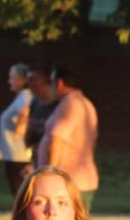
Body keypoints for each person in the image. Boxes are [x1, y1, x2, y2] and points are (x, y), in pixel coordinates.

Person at [37, 65, 99, 209]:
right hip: (81, 179)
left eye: (50, 83)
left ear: (59, 83)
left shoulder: (69, 105)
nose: (49, 87)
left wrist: (49, 175)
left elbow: (56, 140)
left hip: (69, 181)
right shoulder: (85, 103)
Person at [0, 63, 34, 197]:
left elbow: (26, 111)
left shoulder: (26, 95)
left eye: (12, 78)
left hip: (19, 155)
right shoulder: (21, 96)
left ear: (23, 80)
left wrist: (20, 129)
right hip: (14, 154)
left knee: (22, 194)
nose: (9, 81)